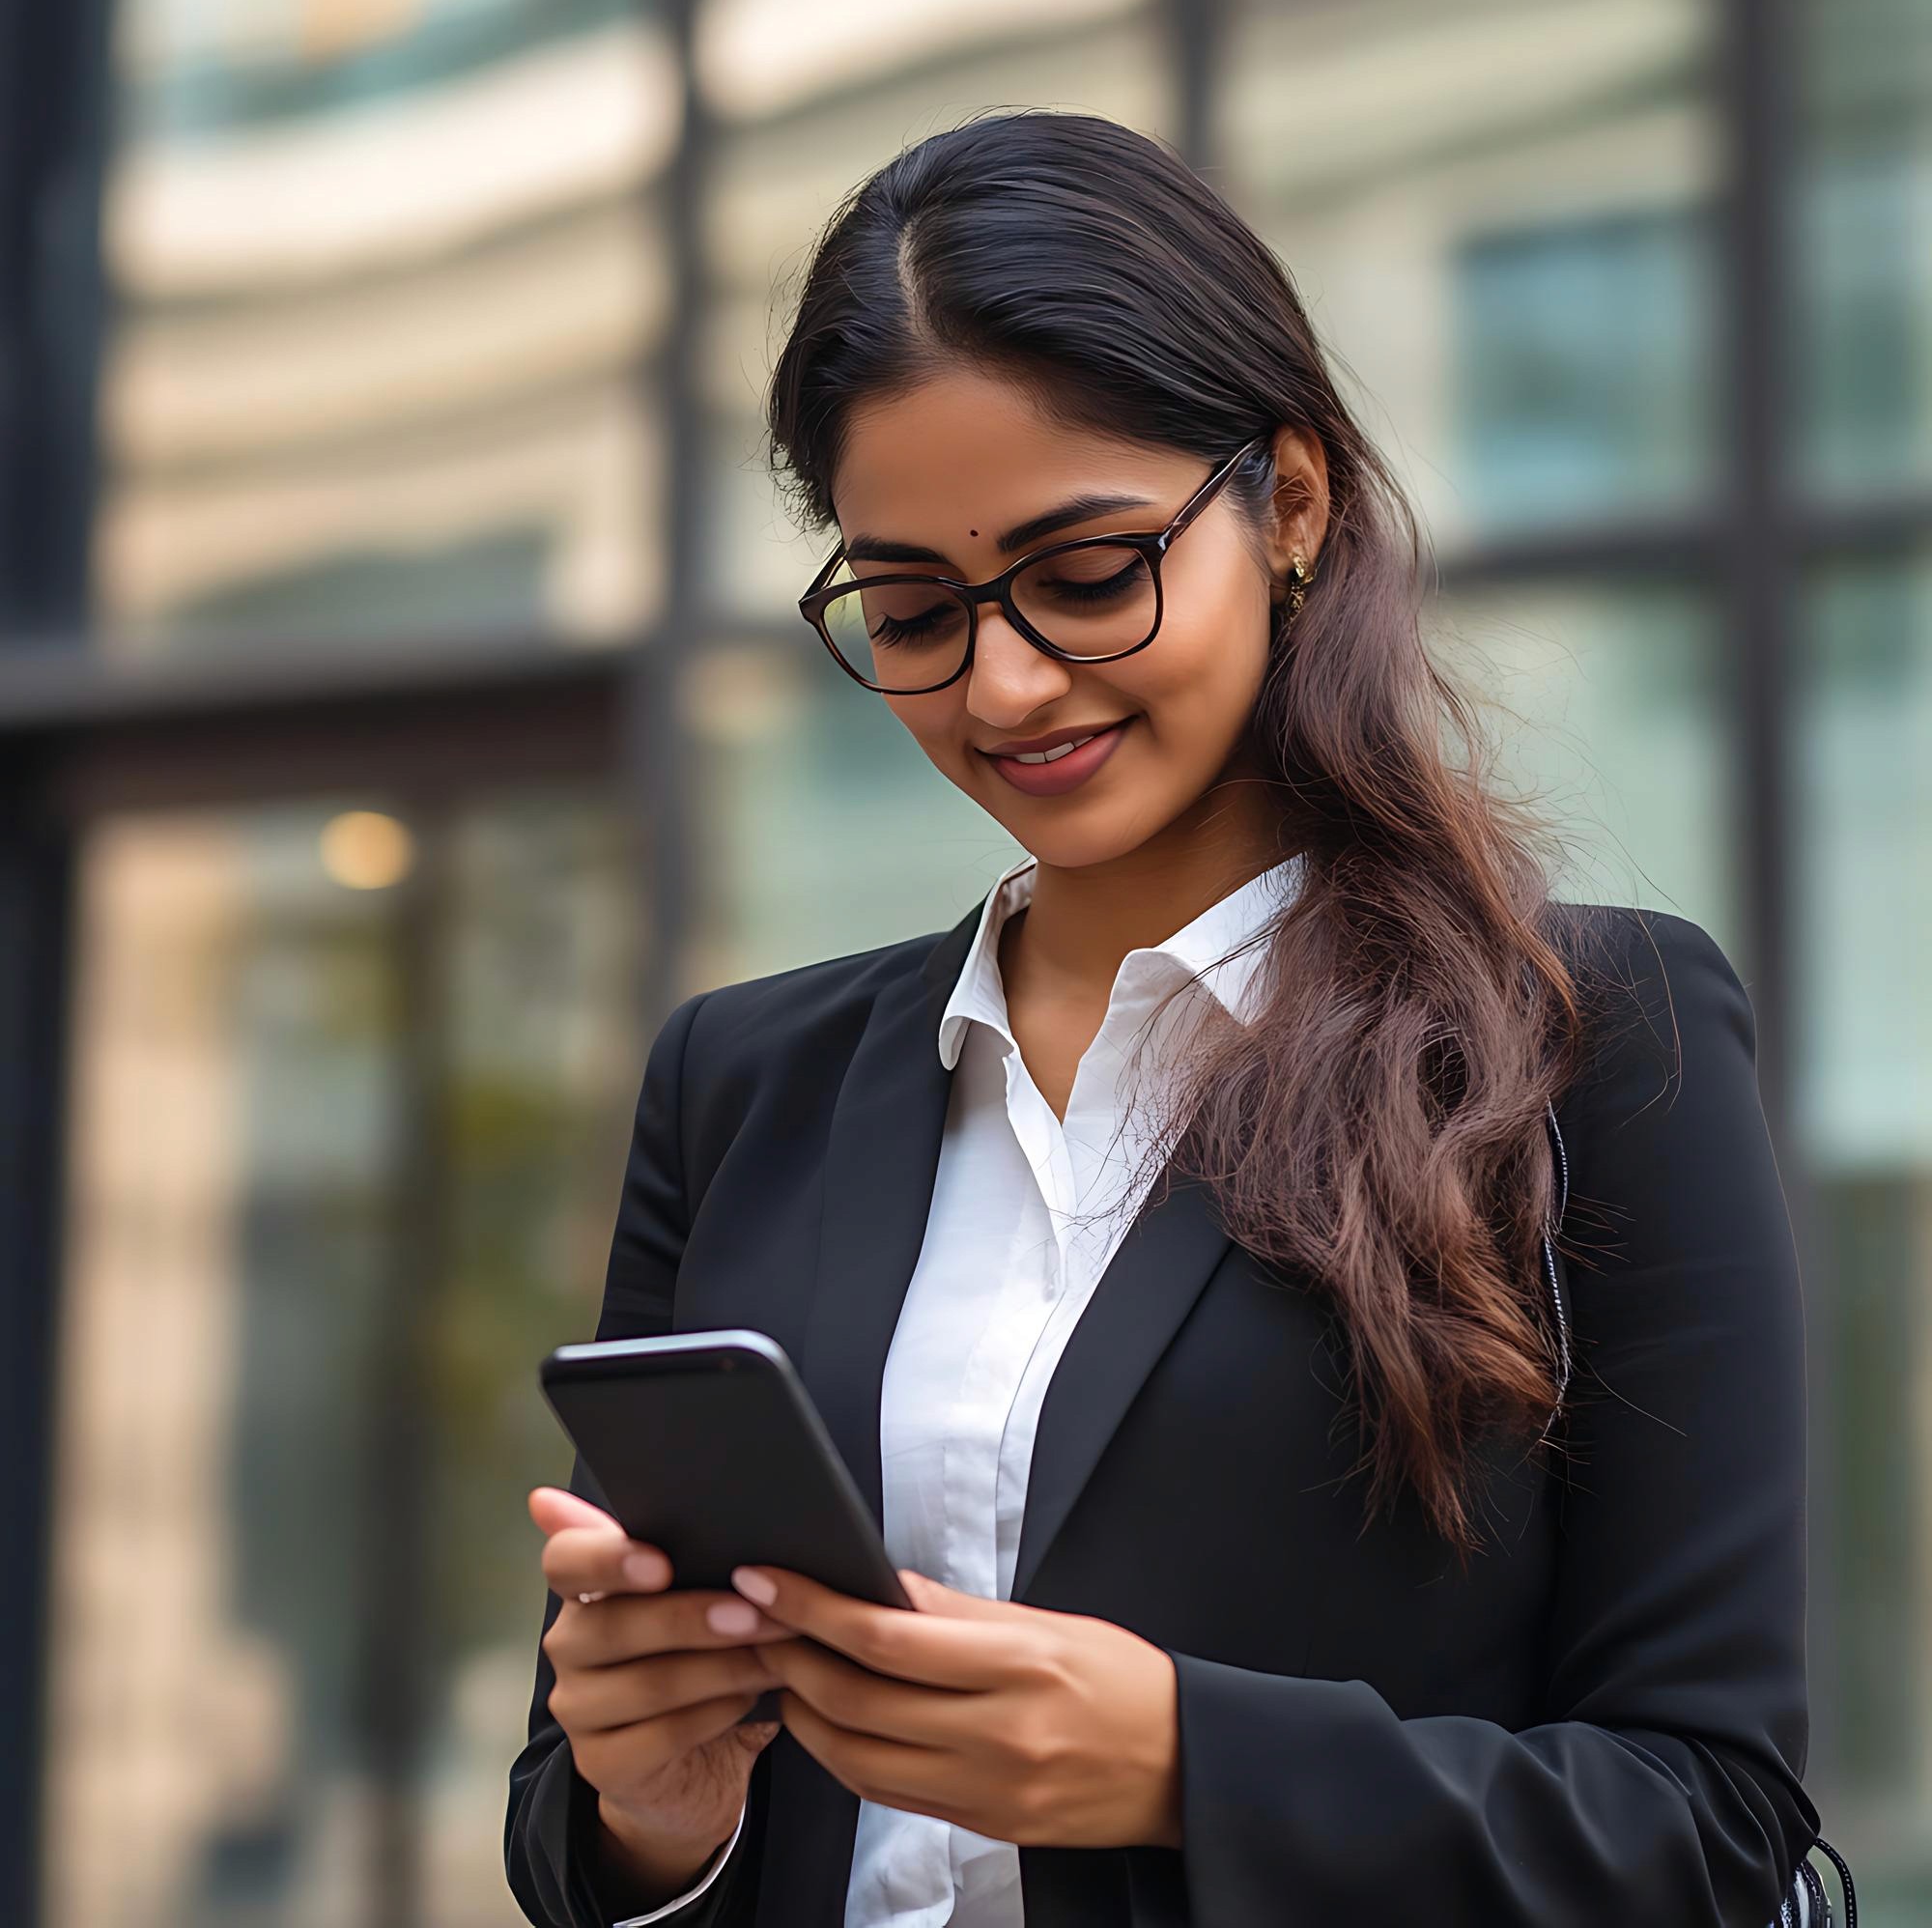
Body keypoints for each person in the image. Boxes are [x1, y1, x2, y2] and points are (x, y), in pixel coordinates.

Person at [505, 110, 1830, 1927]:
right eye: (911, 611)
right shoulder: (742, 1084)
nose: (1007, 681)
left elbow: (1710, 1823)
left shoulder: (1597, 1041)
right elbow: (577, 1827)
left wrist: (1185, 1767)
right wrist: (653, 1811)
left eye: (1086, 572)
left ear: (1289, 503)